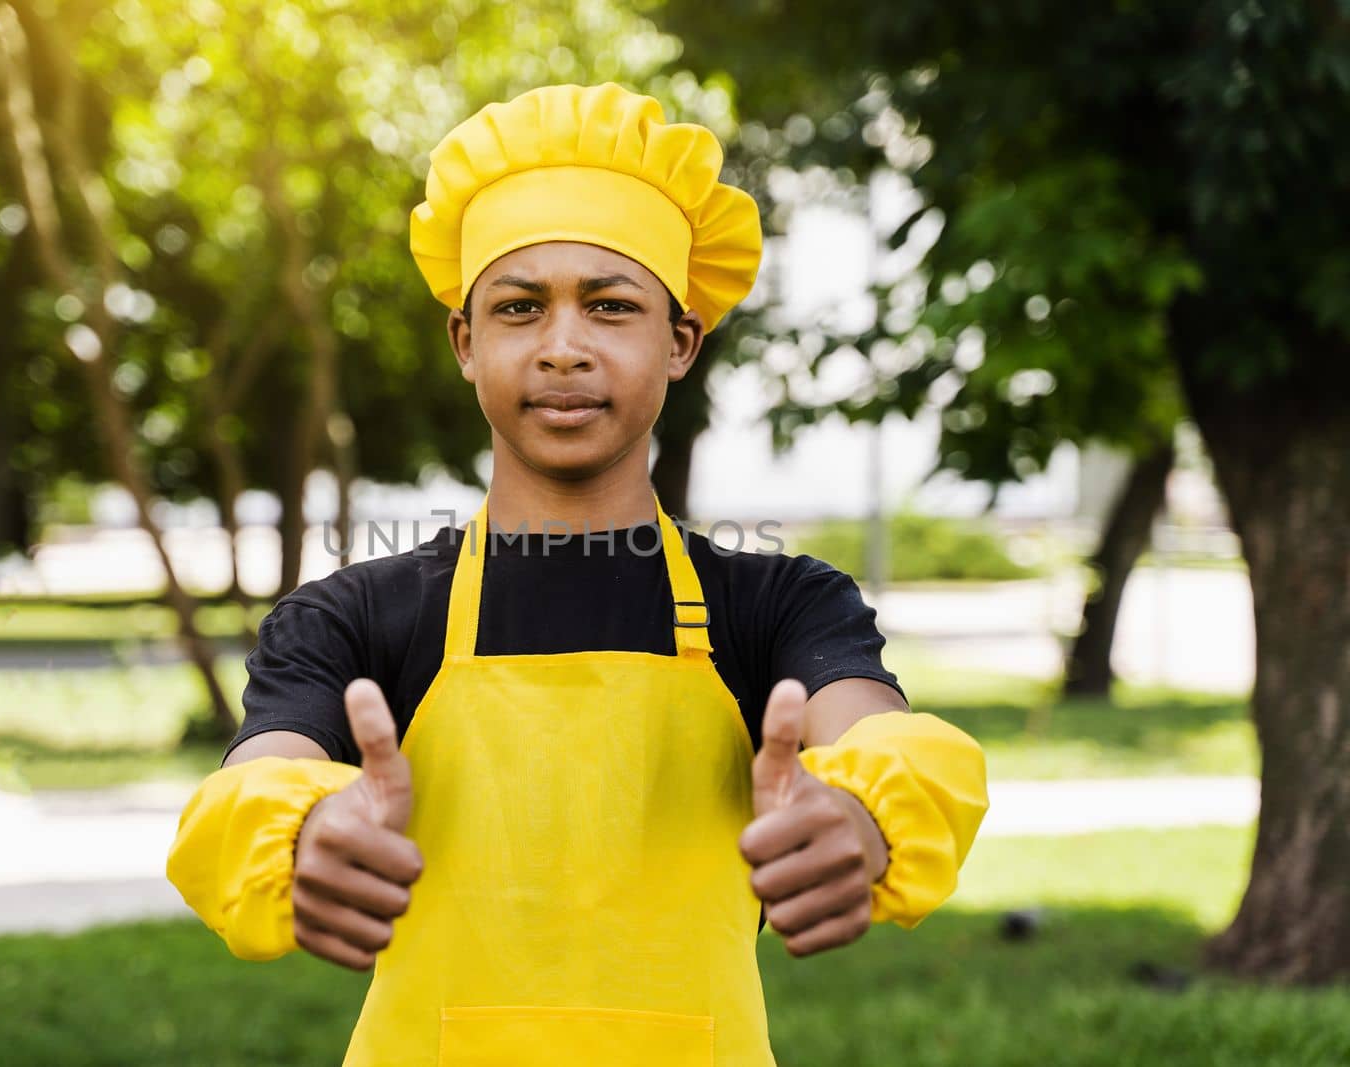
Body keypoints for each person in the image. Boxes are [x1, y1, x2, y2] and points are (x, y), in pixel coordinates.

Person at [167, 82, 988, 1066]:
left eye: (609, 305)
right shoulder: (350, 618)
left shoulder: (777, 606)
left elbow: (882, 737)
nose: (563, 346)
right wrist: (301, 833)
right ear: (466, 343)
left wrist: (861, 813)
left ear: (678, 340)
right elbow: (255, 783)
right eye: (519, 308)